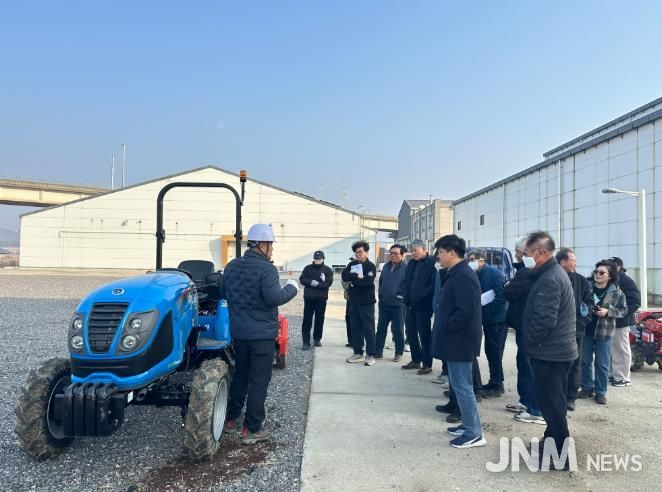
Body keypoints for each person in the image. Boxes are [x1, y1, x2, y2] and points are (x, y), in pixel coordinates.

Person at [221, 224, 299, 445]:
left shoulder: (231, 266)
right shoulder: (267, 270)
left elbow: (223, 292)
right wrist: (292, 287)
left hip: (239, 333)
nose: (272, 250)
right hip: (261, 336)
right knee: (259, 381)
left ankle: (230, 419)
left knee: (241, 375)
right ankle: (252, 429)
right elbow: (275, 298)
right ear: (262, 245)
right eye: (271, 246)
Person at [521, 230, 577, 468]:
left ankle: (561, 457)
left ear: (541, 252)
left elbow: (544, 320)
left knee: (553, 406)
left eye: (527, 253)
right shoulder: (549, 273)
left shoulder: (550, 278)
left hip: (551, 353)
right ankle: (551, 440)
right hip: (553, 351)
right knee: (552, 403)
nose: (524, 257)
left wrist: (529, 341)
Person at [431, 234, 486, 448]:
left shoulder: (463, 276)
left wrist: (446, 324)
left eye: (440, 252)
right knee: (459, 385)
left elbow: (466, 312)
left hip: (460, 340)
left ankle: (474, 433)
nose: (438, 256)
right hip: (455, 339)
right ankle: (468, 424)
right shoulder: (456, 273)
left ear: (452, 253)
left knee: (463, 387)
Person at [504, 238, 544, 425]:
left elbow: (510, 292)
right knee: (523, 364)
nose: (517, 255)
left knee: (528, 366)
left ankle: (534, 408)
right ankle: (525, 401)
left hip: (528, 325)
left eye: (521, 252)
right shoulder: (526, 271)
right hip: (522, 323)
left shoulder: (529, 272)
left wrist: (508, 286)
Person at [578, 260, 627, 404]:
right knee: (585, 361)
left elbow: (623, 310)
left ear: (610, 276)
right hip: (586, 329)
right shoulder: (587, 287)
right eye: (596, 272)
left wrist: (607, 312)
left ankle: (601, 392)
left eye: (601, 273)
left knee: (602, 364)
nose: (597, 275)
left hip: (604, 332)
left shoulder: (616, 292)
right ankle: (586, 387)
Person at [556, 248, 594, 411]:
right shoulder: (552, 278)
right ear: (562, 262)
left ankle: (570, 397)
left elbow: (589, 303)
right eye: (572, 260)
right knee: (556, 365)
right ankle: (556, 396)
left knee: (574, 364)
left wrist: (583, 321)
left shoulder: (581, 281)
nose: (575, 263)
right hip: (555, 332)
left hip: (576, 331)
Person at [467, 250, 507, 398]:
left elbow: (501, 296)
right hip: (486, 318)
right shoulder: (475, 273)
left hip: (497, 319)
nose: (471, 262)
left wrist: (489, 312)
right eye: (469, 259)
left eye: (473, 259)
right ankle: (493, 381)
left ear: (481, 260)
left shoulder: (494, 274)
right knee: (490, 351)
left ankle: (497, 384)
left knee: (495, 352)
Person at [401, 239, 437, 375]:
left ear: (424, 249)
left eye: (415, 250)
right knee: (410, 333)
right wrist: (404, 294)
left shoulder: (432, 263)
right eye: (412, 251)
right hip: (410, 305)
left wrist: (422, 295)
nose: (413, 253)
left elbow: (433, 284)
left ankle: (427, 363)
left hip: (423, 306)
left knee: (424, 335)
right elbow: (406, 281)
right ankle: (416, 360)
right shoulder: (411, 263)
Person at [342, 240, 378, 366]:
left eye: (360, 252)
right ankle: (357, 352)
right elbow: (344, 276)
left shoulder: (370, 266)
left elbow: (367, 282)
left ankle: (371, 354)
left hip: (366, 302)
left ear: (366, 252)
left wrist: (353, 282)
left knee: (368, 328)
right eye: (356, 252)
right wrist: (356, 277)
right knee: (355, 327)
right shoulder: (352, 264)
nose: (358, 254)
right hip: (353, 301)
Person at [608, 256, 641, 387]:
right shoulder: (611, 279)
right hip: (609, 320)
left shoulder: (626, 281)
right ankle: (613, 374)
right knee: (611, 349)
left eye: (612, 265)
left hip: (621, 322)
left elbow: (636, 301)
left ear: (619, 267)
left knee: (621, 349)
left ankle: (622, 377)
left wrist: (621, 313)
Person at [375, 244, 407, 362]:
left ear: (402, 255)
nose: (392, 255)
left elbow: (408, 286)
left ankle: (399, 353)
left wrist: (401, 297)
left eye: (396, 253)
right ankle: (378, 352)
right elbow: (381, 282)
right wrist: (380, 297)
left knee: (398, 330)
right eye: (391, 253)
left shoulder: (406, 268)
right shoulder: (386, 267)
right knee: (381, 328)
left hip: (398, 305)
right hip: (384, 303)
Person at [299, 250, 334, 349]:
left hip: (321, 299)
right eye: (316, 259)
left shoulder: (327, 270)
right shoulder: (307, 268)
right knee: (307, 319)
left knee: (319, 319)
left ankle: (317, 339)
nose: (317, 260)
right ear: (313, 259)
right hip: (309, 298)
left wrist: (319, 284)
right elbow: (302, 279)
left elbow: (328, 283)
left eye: (319, 259)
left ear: (323, 259)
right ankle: (306, 342)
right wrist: (310, 282)